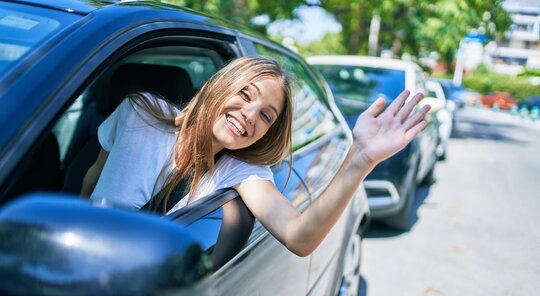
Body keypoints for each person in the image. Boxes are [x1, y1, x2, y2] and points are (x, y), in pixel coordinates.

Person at [82, 56, 430, 257]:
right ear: (219, 86)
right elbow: (91, 182)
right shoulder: (138, 113)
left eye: (265, 115)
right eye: (245, 94)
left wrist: (361, 158)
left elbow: (299, 236)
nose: (250, 115)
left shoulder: (242, 171)